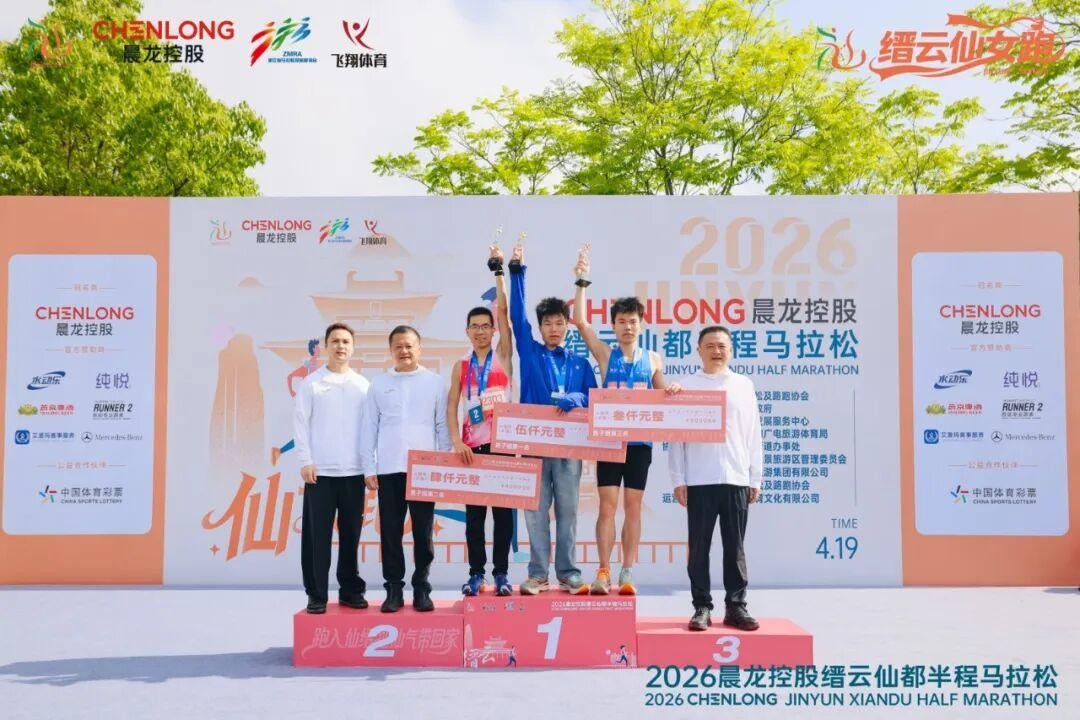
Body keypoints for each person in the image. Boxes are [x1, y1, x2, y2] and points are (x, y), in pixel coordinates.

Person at [573, 254, 679, 596]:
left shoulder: (653, 358)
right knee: (607, 507)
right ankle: (603, 570)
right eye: (621, 321)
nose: (627, 327)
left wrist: (672, 389)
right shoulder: (606, 354)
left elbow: (663, 392)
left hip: (640, 445)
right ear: (614, 326)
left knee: (633, 507)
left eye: (633, 321)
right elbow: (580, 321)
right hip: (608, 444)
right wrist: (582, 280)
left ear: (641, 325)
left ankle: (628, 570)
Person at [508, 243, 597, 595]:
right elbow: (517, 317)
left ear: (567, 326)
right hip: (533, 445)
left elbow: (595, 398)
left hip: (569, 449)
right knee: (534, 510)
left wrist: (578, 398)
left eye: (560, 323)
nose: (555, 328)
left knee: (569, 512)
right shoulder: (530, 353)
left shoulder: (579, 363)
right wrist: (518, 272)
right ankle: (537, 574)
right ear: (541, 327)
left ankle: (569, 572)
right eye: (548, 323)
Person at [668, 326, 762, 632]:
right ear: (699, 350)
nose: (716, 351)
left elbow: (754, 433)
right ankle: (701, 607)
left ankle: (736, 606)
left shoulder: (743, 385)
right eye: (709, 346)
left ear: (731, 350)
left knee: (735, 547)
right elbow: (676, 438)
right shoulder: (685, 386)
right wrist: (678, 478)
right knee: (699, 548)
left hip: (736, 478)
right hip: (699, 479)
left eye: (722, 345)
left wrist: (755, 477)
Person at [360, 325, 450, 613]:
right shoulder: (378, 384)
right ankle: (394, 589)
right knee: (390, 533)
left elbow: (442, 427)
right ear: (391, 350)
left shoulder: (435, 383)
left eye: (409, 345)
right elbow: (369, 427)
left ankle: (422, 587)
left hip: (424, 469)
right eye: (398, 346)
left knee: (423, 534)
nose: (404, 351)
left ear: (419, 348)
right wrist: (368, 468)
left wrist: (442, 465)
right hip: (389, 469)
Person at [447, 245, 515, 597]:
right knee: (474, 518)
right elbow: (451, 407)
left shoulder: (503, 354)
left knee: (503, 516)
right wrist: (457, 442)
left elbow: (504, 311)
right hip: (471, 450)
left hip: (503, 446)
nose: (480, 331)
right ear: (467, 331)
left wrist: (498, 271)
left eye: (485, 326)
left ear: (493, 330)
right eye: (474, 327)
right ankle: (476, 574)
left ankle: (501, 573)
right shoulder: (461, 366)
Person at [294, 323, 370, 614]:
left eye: (346, 342)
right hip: (320, 474)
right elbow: (300, 422)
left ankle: (350, 590)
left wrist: (369, 467)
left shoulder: (362, 385)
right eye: (335, 341)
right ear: (326, 346)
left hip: (353, 473)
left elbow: (370, 429)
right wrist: (305, 461)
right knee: (317, 539)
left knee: (351, 536)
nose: (341, 346)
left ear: (353, 348)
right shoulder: (312, 383)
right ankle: (316, 595)